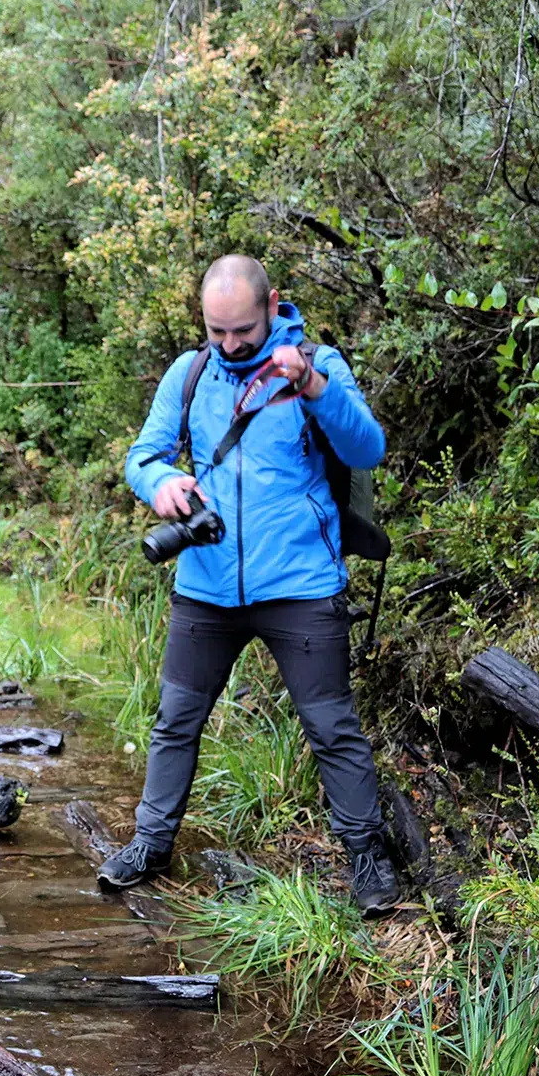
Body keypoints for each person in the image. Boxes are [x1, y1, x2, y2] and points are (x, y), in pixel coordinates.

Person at [101, 254, 402, 916]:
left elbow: (368, 448)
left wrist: (317, 388)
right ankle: (150, 844)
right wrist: (161, 484)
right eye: (218, 332)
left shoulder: (317, 366)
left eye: (243, 330)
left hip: (301, 584)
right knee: (175, 721)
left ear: (272, 307)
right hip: (206, 587)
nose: (232, 345)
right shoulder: (191, 373)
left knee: (332, 727)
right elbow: (141, 457)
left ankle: (369, 860)